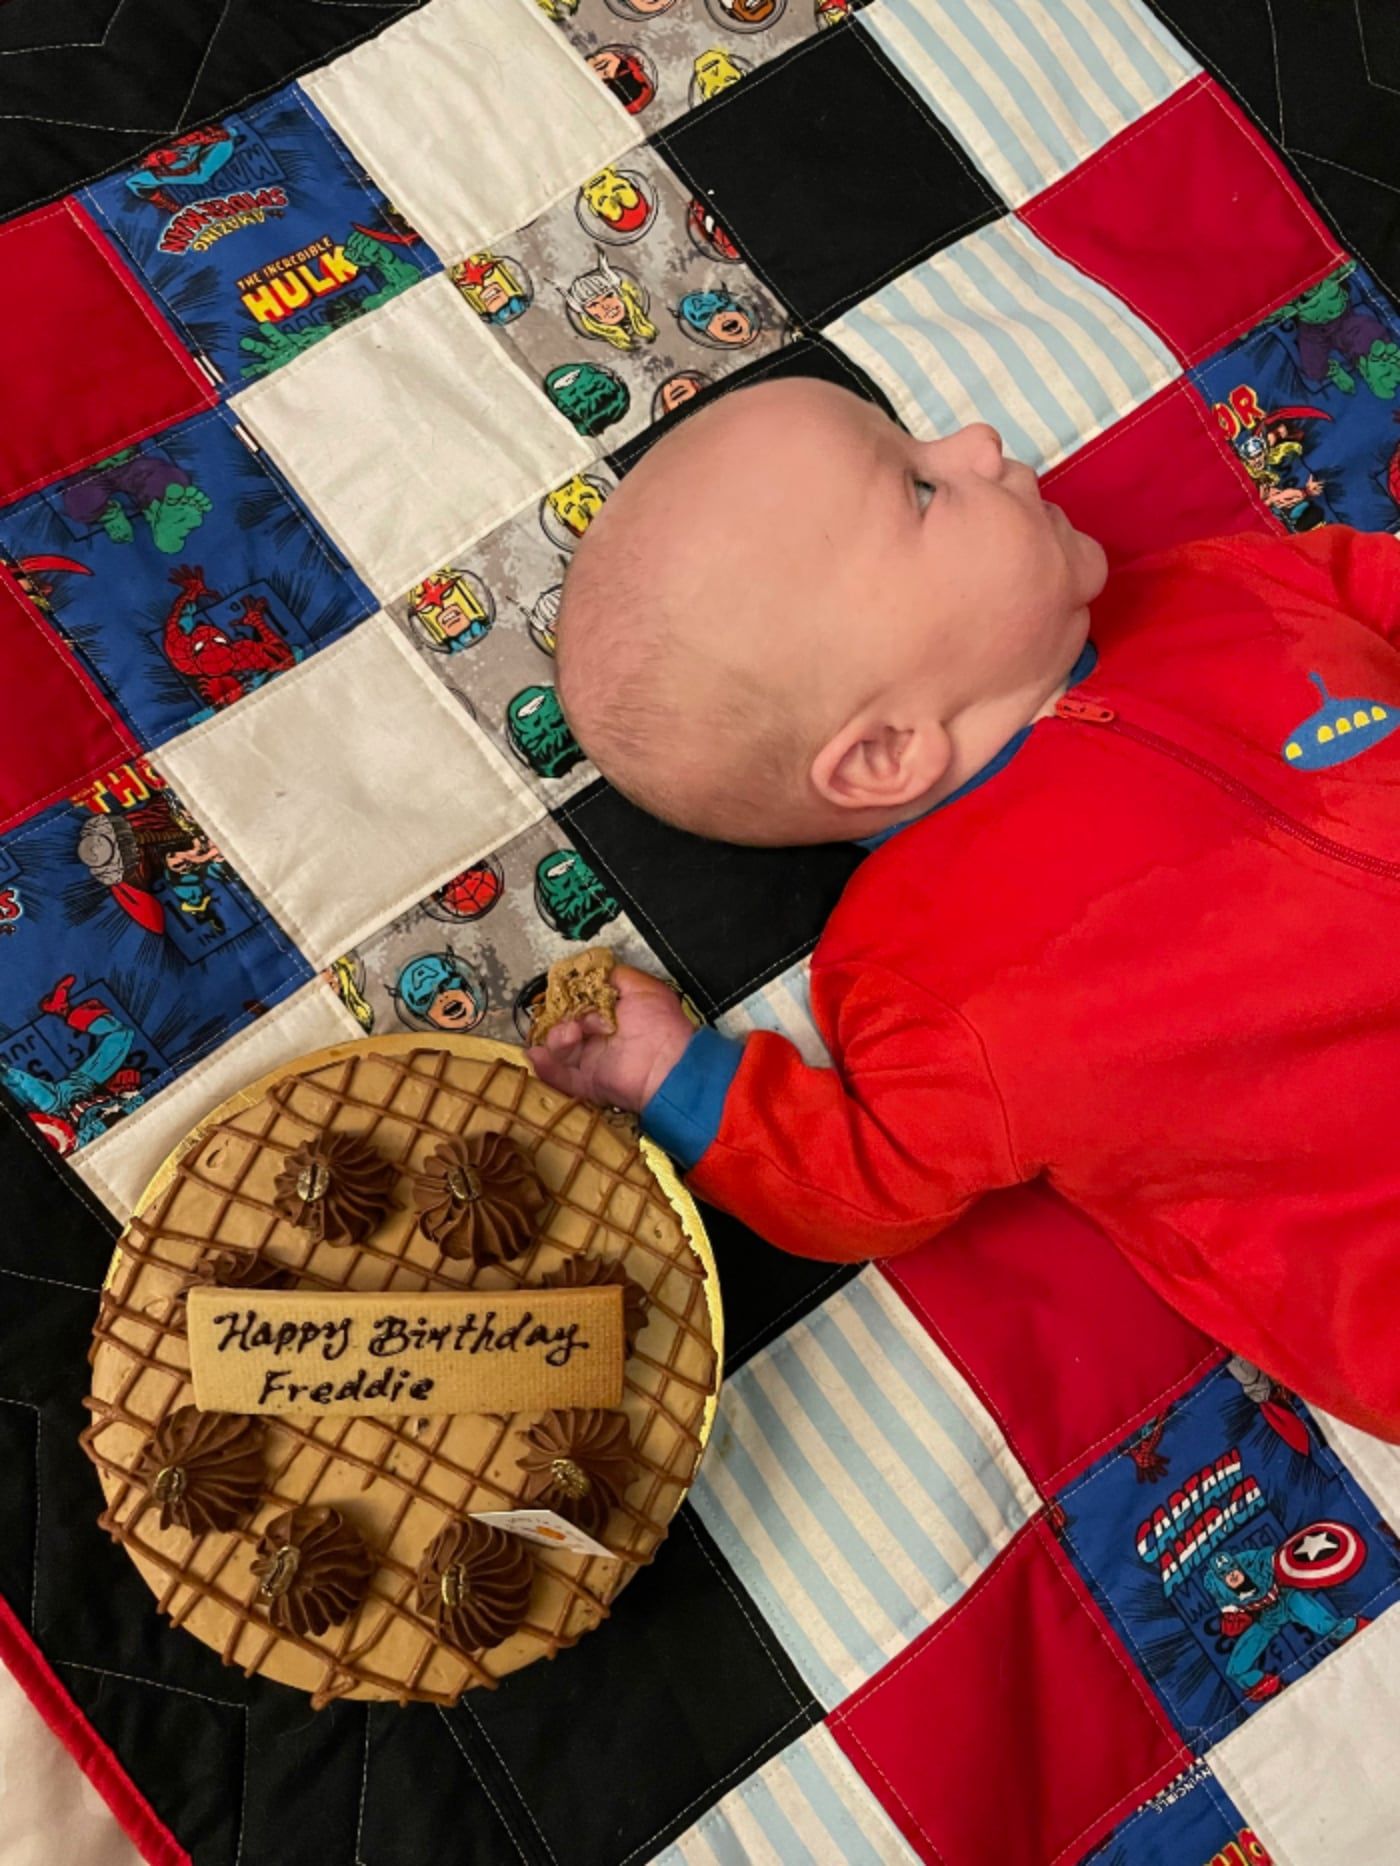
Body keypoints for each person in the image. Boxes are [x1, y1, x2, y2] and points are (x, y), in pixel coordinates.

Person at [529, 378, 1400, 1441]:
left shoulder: (1215, 589)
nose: (979, 441)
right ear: (886, 750)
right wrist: (674, 1078)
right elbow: (861, 1181)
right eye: (920, 487)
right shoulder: (925, 969)